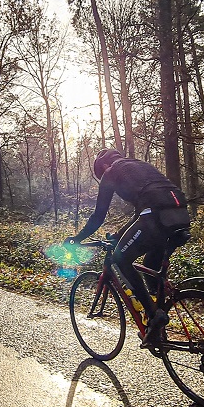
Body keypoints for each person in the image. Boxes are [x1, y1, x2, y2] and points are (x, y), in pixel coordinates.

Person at [66, 148, 191, 348]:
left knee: (120, 259)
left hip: (156, 216)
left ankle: (153, 316)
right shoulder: (140, 166)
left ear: (104, 166)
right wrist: (119, 235)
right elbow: (141, 214)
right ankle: (157, 326)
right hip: (180, 216)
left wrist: (77, 238)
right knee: (151, 265)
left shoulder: (111, 172)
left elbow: (98, 217)